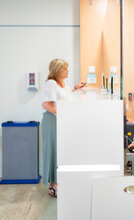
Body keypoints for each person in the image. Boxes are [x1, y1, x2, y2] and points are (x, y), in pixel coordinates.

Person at [41, 58, 85, 197]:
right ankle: (53, 186)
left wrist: (75, 88)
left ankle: (59, 183)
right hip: (51, 121)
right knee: (54, 151)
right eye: (65, 68)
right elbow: (46, 104)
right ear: (58, 71)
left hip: (61, 121)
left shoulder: (64, 84)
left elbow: (64, 98)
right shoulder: (51, 83)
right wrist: (63, 112)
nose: (68, 70)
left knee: (61, 152)